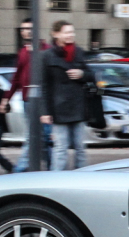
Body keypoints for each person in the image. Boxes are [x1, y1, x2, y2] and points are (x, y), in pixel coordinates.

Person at [39, 20, 92, 171]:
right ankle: (56, 180)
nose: (71, 35)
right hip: (58, 108)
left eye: (72, 32)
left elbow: (91, 75)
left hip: (78, 106)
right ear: (56, 34)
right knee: (60, 148)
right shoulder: (46, 56)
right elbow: (44, 85)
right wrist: (45, 112)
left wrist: (81, 74)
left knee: (80, 147)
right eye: (67, 32)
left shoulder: (79, 52)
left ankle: (82, 179)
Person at [9, 18, 50, 172]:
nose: (26, 31)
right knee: (36, 137)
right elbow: (17, 77)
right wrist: (7, 97)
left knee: (42, 137)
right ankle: (49, 169)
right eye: (24, 29)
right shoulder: (23, 52)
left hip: (43, 101)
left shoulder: (45, 49)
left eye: (30, 28)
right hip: (27, 100)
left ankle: (21, 170)